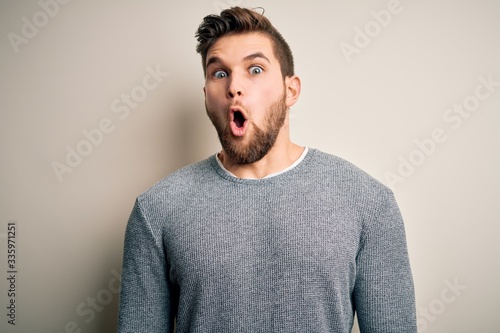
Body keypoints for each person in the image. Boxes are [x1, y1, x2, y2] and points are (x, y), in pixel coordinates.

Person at [117, 6, 417, 333]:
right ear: (207, 96)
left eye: (255, 69)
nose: (234, 87)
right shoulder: (157, 210)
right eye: (219, 73)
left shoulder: (368, 202)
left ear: (291, 90)